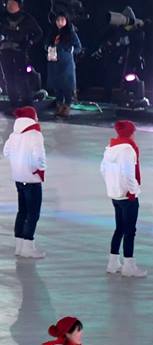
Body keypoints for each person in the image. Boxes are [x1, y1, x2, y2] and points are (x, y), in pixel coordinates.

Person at [101, 120, 146, 277]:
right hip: (127, 195)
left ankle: (113, 262)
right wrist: (133, 191)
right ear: (130, 132)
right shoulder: (127, 150)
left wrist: (112, 186)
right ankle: (129, 265)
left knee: (120, 228)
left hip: (115, 194)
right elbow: (128, 173)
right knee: (130, 230)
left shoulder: (110, 148)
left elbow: (103, 169)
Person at [4, 105, 46, 258]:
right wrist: (39, 168)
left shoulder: (14, 134)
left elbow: (6, 152)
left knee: (22, 211)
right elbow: (39, 157)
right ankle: (28, 246)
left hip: (18, 178)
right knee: (33, 213)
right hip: (31, 179)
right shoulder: (35, 134)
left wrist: (18, 165)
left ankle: (19, 246)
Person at [0, 0, 42, 108]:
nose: (10, 6)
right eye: (8, 4)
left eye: (13, 3)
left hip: (20, 52)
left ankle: (27, 103)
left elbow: (39, 33)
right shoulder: (2, 17)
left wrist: (29, 42)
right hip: (5, 51)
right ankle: (13, 103)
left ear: (19, 5)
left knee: (21, 78)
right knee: (8, 78)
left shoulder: (27, 18)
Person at [46, 12, 82, 117]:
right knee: (57, 85)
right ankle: (59, 105)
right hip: (54, 61)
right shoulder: (52, 33)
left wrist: (70, 50)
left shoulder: (71, 33)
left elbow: (78, 47)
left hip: (66, 63)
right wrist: (48, 48)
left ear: (66, 21)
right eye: (58, 20)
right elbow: (46, 44)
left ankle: (67, 105)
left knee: (67, 85)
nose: (60, 22)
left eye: (62, 20)